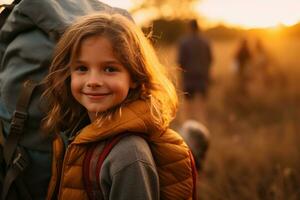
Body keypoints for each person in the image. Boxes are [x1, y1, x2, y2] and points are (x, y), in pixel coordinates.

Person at [43, 13, 196, 199]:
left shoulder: (129, 155)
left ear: (134, 76)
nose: (93, 81)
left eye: (109, 69)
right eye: (82, 68)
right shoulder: (77, 130)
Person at [178, 19, 213, 124]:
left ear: (189, 28)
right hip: (202, 77)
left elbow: (181, 62)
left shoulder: (184, 42)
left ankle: (186, 129)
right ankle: (202, 128)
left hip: (189, 78)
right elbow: (210, 59)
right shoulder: (206, 42)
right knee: (201, 106)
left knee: (188, 106)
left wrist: (180, 78)